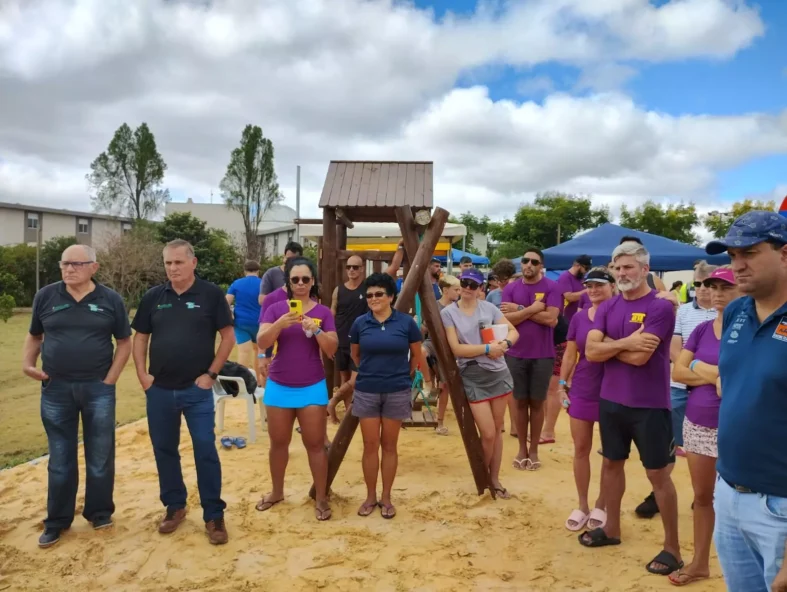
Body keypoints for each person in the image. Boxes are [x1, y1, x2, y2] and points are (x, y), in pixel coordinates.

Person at [578, 241, 682, 578]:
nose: (622, 274)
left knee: (658, 475)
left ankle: (672, 549)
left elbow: (641, 358)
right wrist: (624, 342)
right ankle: (612, 529)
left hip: (649, 405)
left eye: (628, 268)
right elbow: (591, 353)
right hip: (611, 401)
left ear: (644, 270)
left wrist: (608, 346)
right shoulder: (609, 306)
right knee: (611, 464)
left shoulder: (660, 308)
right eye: (617, 268)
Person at [22, 245, 131, 548]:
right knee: (60, 457)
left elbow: (124, 342)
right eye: (64, 264)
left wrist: (111, 378)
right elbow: (35, 335)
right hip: (56, 389)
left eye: (76, 264)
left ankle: (98, 512)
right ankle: (57, 520)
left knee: (100, 454)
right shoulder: (46, 296)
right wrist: (28, 364)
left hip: (98, 389)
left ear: (93, 268)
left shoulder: (110, 300)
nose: (69, 270)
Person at [131, 239, 235, 545]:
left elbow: (227, 337)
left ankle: (214, 515)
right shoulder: (153, 296)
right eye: (168, 263)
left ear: (193, 262)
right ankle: (174, 506)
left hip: (197, 390)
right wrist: (142, 375)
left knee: (205, 449)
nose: (172, 268)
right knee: (164, 450)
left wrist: (211, 374)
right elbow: (140, 339)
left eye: (178, 262)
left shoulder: (211, 294)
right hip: (159, 390)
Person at [704, 211, 787, 592]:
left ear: (784, 254)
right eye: (732, 255)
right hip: (730, 491)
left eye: (750, 253)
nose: (737, 265)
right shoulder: (736, 310)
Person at [668, 267, 738, 586]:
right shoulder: (700, 330)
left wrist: (696, 367)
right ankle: (699, 562)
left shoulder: (748, 332)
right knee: (702, 497)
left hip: (737, 425)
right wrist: (711, 372)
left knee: (739, 500)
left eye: (725, 286)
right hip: (698, 422)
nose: (717, 292)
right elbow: (678, 373)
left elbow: (737, 382)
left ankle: (742, 568)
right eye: (712, 286)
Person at [256, 256, 338, 521]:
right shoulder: (275, 308)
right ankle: (277, 492)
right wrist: (281, 323)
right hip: (279, 384)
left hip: (312, 384)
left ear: (313, 281)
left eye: (306, 279)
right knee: (278, 443)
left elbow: (332, 349)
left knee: (315, 444)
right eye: (295, 279)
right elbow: (261, 341)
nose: (301, 283)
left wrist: (316, 330)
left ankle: (322, 497)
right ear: (288, 282)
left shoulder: (323, 313)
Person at [350, 273, 425, 519]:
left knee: (390, 445)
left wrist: (405, 374)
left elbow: (417, 356)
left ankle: (386, 497)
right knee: (370, 445)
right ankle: (370, 496)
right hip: (367, 389)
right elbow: (356, 355)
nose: (373, 298)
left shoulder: (406, 323)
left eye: (379, 294)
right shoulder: (360, 323)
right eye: (369, 295)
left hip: (397, 389)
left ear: (391, 296)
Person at [442, 269, 518, 498]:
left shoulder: (490, 309)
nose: (467, 287)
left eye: (472, 285)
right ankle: (482, 475)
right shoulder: (449, 313)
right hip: (473, 374)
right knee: (487, 433)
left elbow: (514, 332)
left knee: (496, 431)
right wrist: (488, 349)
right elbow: (456, 349)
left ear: (480, 288)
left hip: (498, 372)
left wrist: (504, 345)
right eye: (464, 282)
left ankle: (493, 478)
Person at [560, 267, 614, 532]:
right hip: (582, 387)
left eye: (599, 285)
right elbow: (571, 353)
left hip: (613, 389)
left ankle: (601, 504)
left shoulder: (619, 314)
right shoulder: (580, 318)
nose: (593, 290)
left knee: (609, 453)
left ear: (612, 287)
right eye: (589, 285)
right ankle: (582, 505)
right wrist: (562, 383)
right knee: (580, 449)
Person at [328, 245, 403, 424]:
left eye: (355, 267)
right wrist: (330, 340)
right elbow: (331, 314)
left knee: (356, 379)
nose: (352, 270)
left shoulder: (369, 289)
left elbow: (392, 270)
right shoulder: (339, 290)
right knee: (346, 379)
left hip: (361, 341)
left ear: (362, 268)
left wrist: (400, 247)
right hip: (340, 340)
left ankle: (333, 401)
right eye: (349, 267)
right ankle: (348, 415)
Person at [501, 248, 561, 471]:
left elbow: (551, 319)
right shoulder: (511, 288)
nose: (528, 264)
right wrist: (534, 309)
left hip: (542, 355)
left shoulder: (552, 287)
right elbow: (506, 318)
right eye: (525, 260)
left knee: (537, 403)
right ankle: (521, 449)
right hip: (515, 354)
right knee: (519, 402)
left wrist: (521, 309)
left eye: (534, 262)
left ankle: (533, 450)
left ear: (541, 266)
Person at [422, 274, 462, 435]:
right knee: (420, 351)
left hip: (448, 346)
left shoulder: (457, 308)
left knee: (444, 385)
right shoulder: (434, 306)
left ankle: (440, 421)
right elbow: (424, 328)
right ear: (445, 290)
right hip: (432, 341)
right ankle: (427, 382)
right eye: (456, 289)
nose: (459, 292)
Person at [226, 260, 262, 372]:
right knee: (259, 352)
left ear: (244, 271)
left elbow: (226, 302)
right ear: (258, 271)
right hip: (259, 322)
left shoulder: (237, 283)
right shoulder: (264, 283)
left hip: (241, 322)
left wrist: (230, 314)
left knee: (243, 352)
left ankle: (242, 380)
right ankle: (260, 382)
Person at [258, 241, 303, 307]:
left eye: (295, 259)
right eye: (288, 259)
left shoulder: (305, 274)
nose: (291, 262)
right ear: (284, 257)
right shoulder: (271, 273)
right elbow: (262, 300)